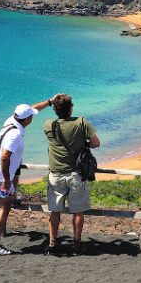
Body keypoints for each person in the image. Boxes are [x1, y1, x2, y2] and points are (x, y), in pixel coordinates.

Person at [0, 97, 55, 255]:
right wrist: (6, 181)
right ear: (27, 120)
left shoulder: (12, 120)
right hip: (2, 176)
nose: (33, 116)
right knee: (3, 208)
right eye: (31, 116)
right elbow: (4, 157)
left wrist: (50, 102)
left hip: (1, 172)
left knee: (4, 204)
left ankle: (13, 197)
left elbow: (34, 108)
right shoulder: (15, 134)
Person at [44, 94, 100, 255]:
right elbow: (96, 143)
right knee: (78, 211)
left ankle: (52, 244)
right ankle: (76, 244)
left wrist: (49, 101)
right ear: (71, 108)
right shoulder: (81, 122)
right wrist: (83, 144)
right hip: (76, 173)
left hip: (55, 173)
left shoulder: (48, 125)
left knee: (55, 211)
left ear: (55, 109)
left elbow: (32, 111)